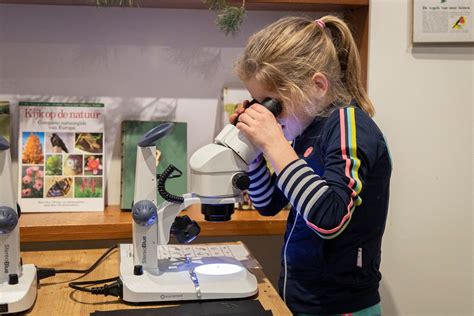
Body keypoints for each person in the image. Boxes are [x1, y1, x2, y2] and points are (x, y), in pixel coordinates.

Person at [230, 16, 392, 315]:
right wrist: (254, 151)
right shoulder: (305, 131)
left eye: (271, 103)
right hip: (299, 298)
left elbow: (331, 218)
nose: (266, 112)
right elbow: (268, 204)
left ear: (317, 86)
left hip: (341, 306)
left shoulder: (349, 125)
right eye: (257, 102)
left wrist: (275, 144)